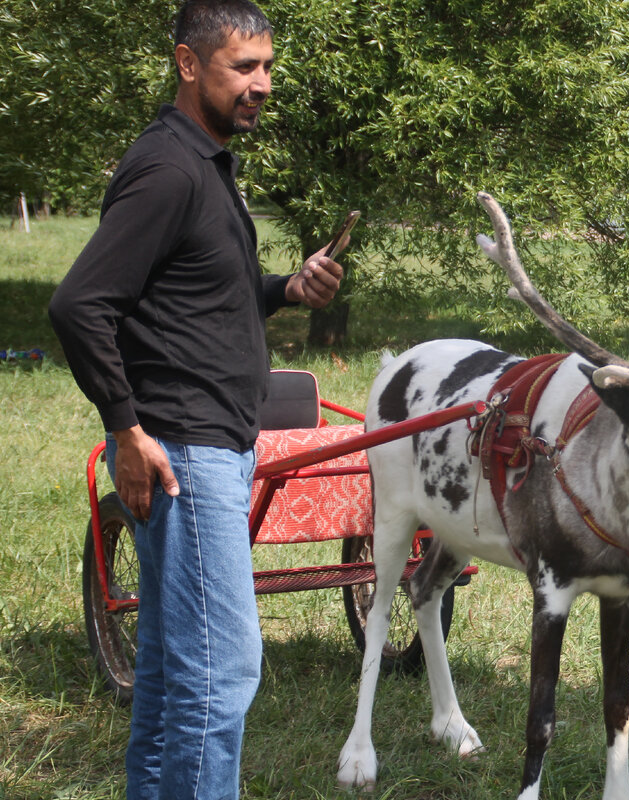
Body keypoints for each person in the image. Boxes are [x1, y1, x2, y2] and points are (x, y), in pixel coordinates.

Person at [48, 2, 344, 798]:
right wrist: (125, 429)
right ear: (188, 64)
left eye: (268, 67)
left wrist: (285, 286)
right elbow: (80, 305)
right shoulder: (169, 169)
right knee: (221, 669)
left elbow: (203, 292)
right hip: (184, 452)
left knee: (176, 666)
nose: (262, 84)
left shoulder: (205, 162)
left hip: (208, 444)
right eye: (243, 68)